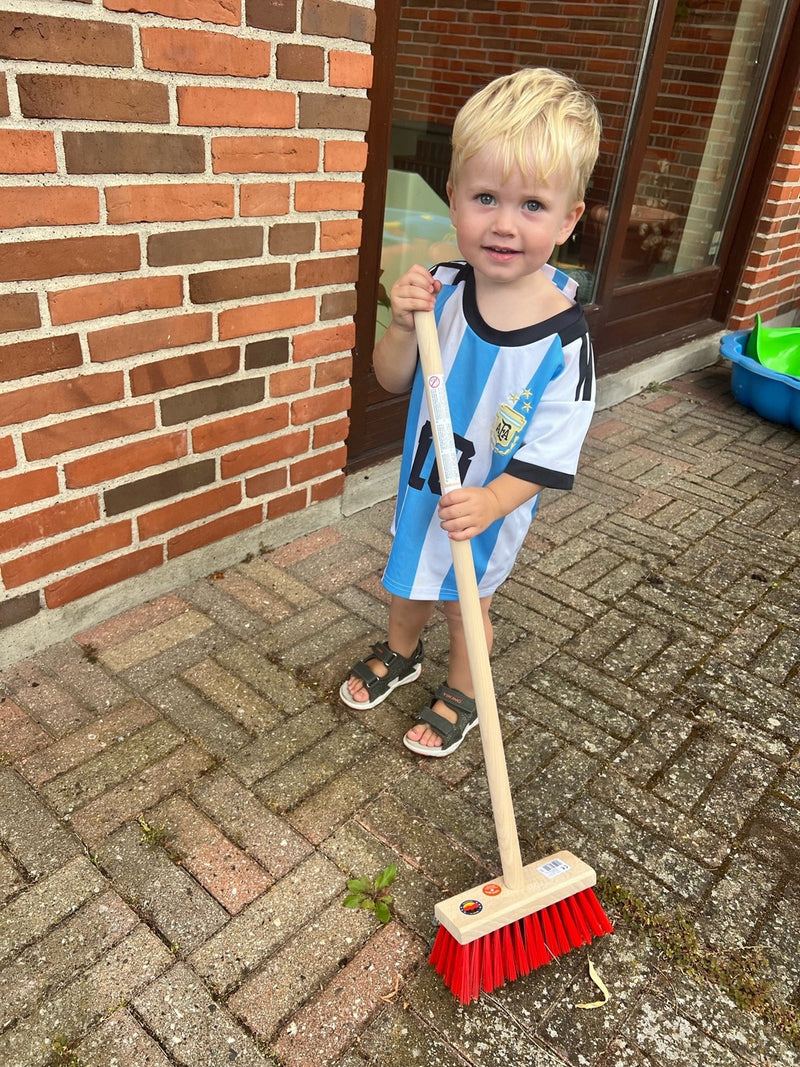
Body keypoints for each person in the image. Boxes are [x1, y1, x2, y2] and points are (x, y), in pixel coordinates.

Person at [340, 67, 602, 756]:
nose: (504, 224)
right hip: (425, 486)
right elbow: (391, 378)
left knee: (466, 604)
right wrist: (399, 326)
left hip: (484, 504)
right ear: (453, 197)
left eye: (532, 206)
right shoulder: (443, 290)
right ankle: (402, 651)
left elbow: (549, 458)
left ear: (570, 218)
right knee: (407, 579)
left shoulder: (563, 341)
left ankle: (465, 687)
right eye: (485, 197)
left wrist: (491, 501)